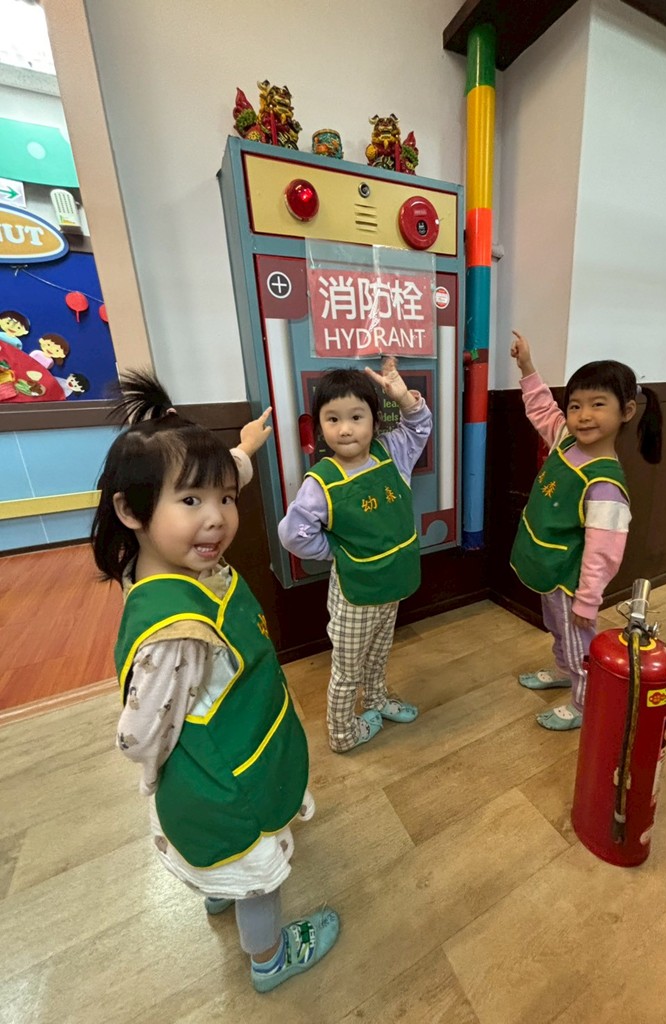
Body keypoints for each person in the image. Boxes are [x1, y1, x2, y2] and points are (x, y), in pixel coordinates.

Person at [90, 369, 339, 993]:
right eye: (192, 502)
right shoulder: (178, 632)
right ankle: (269, 959)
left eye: (225, 499)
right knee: (258, 879)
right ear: (130, 510)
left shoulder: (159, 559)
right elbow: (138, 736)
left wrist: (244, 450)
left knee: (228, 869)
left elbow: (218, 478)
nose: (218, 519)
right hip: (226, 785)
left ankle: (217, 887)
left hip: (237, 749)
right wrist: (160, 777)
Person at [509, 331, 663, 730]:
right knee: (557, 629)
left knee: (580, 642)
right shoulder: (566, 440)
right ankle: (563, 670)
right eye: (575, 405)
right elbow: (541, 408)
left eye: (598, 404)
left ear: (627, 411)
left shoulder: (605, 485)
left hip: (571, 582)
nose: (583, 415)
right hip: (549, 567)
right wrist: (527, 366)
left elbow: (603, 553)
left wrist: (588, 601)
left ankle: (583, 702)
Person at [278, 359, 432, 753]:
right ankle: (343, 733)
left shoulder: (392, 452)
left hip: (391, 586)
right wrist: (335, 552)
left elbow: (419, 426)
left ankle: (377, 699)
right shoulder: (321, 481)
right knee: (347, 670)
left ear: (375, 422)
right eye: (333, 419)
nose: (345, 429)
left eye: (356, 417)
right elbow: (293, 534)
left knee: (379, 653)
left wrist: (403, 397)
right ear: (320, 427)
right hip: (355, 596)